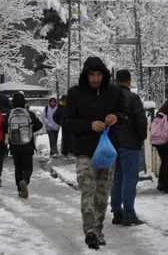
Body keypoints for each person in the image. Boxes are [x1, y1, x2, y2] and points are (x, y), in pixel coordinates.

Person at [64, 57, 126, 250]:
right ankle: (90, 230)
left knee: (102, 193)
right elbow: (67, 121)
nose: (96, 78)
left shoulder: (115, 93)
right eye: (92, 75)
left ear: (104, 75)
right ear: (86, 75)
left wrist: (116, 117)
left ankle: (98, 230)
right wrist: (88, 125)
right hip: (84, 151)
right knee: (88, 190)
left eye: (99, 74)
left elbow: (126, 115)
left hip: (107, 151)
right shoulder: (75, 93)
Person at [110, 70, 148, 227]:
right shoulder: (133, 98)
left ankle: (116, 211)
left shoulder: (109, 98)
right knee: (129, 179)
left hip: (113, 144)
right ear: (129, 81)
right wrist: (142, 137)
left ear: (115, 81)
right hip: (130, 144)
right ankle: (129, 214)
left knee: (117, 178)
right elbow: (141, 121)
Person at [8, 93, 43, 198]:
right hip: (27, 144)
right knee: (28, 167)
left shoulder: (9, 114)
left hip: (14, 145)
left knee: (18, 167)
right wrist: (30, 131)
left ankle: (19, 190)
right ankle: (25, 180)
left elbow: (4, 126)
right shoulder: (30, 114)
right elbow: (39, 125)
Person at [54, 95, 73, 159]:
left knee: (71, 139)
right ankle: (65, 153)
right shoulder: (60, 107)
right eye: (64, 101)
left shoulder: (70, 107)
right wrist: (60, 122)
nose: (65, 102)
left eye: (66, 101)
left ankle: (71, 152)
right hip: (65, 127)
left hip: (71, 126)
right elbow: (54, 116)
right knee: (65, 140)